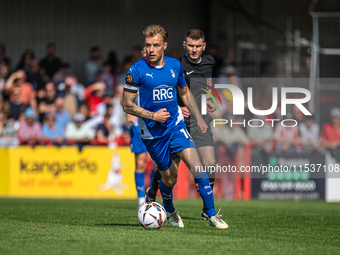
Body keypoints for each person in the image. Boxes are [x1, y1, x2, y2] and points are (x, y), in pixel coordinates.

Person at [121, 24, 228, 229]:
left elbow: (185, 93)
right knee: (170, 178)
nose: (151, 50)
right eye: (148, 45)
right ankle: (169, 209)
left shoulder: (174, 66)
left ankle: (212, 214)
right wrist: (153, 115)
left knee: (197, 165)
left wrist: (198, 118)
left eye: (156, 45)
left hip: (176, 125)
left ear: (164, 46)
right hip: (153, 133)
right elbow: (126, 104)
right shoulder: (136, 70)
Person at [146, 28, 218, 220]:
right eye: (190, 46)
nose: (194, 50)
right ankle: (153, 191)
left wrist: (209, 98)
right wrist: (178, 107)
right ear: (185, 45)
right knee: (171, 169)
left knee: (210, 162)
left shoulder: (210, 62)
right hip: (179, 121)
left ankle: (206, 209)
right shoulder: (177, 65)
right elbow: (169, 90)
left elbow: (206, 85)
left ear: (203, 47)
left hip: (200, 119)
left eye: (198, 46)